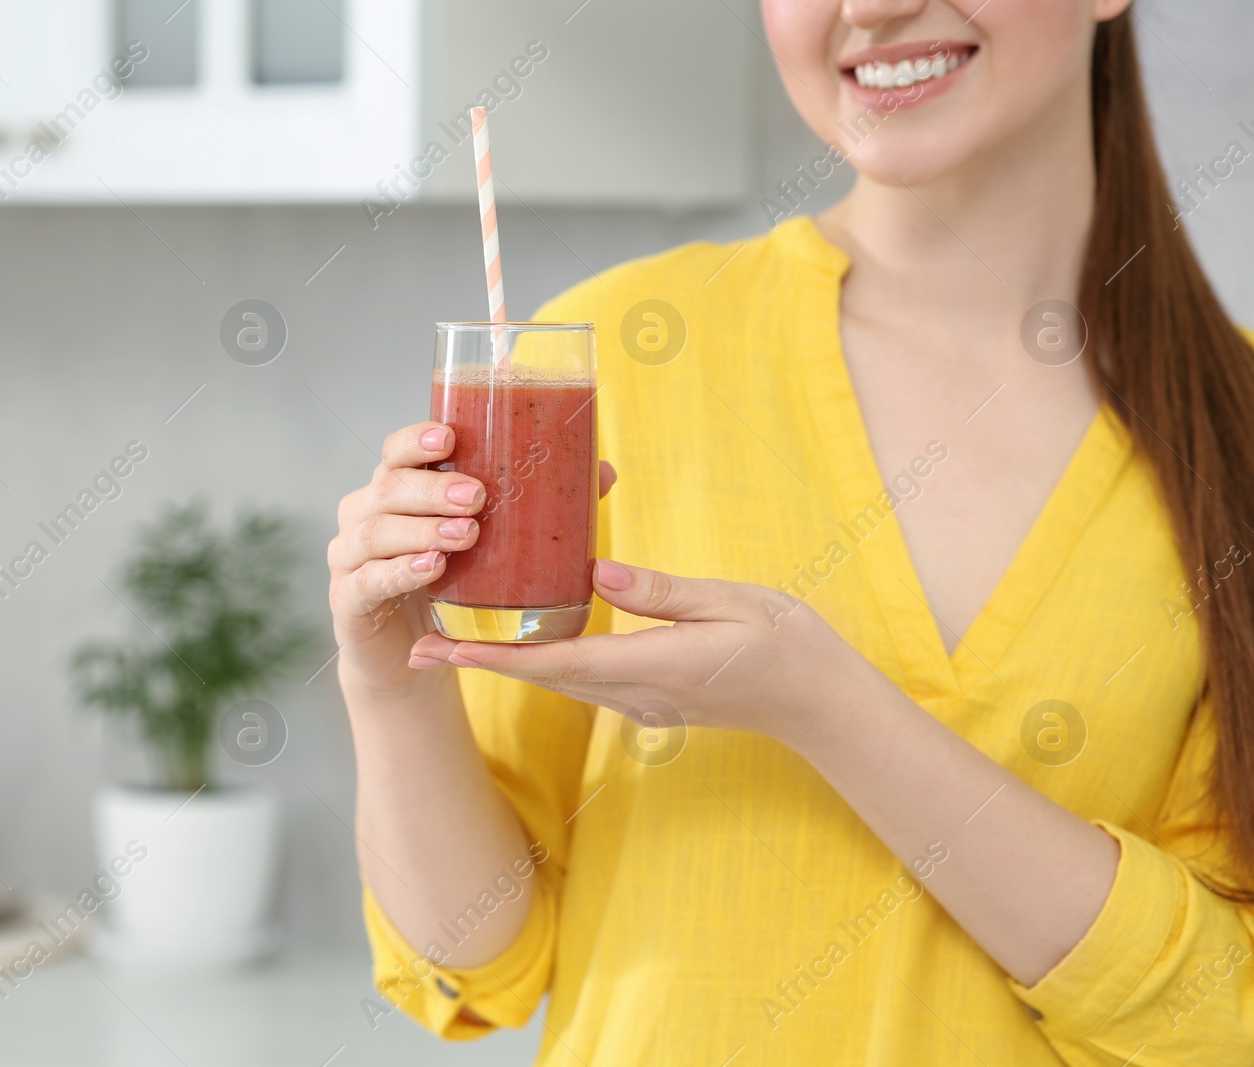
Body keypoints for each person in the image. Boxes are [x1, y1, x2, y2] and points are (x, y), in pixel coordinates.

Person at [327, 1, 1254, 1062]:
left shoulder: (1235, 431)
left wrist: (825, 706)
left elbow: (1220, 1018)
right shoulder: (614, 357)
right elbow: (481, 958)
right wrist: (391, 686)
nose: (865, 9)